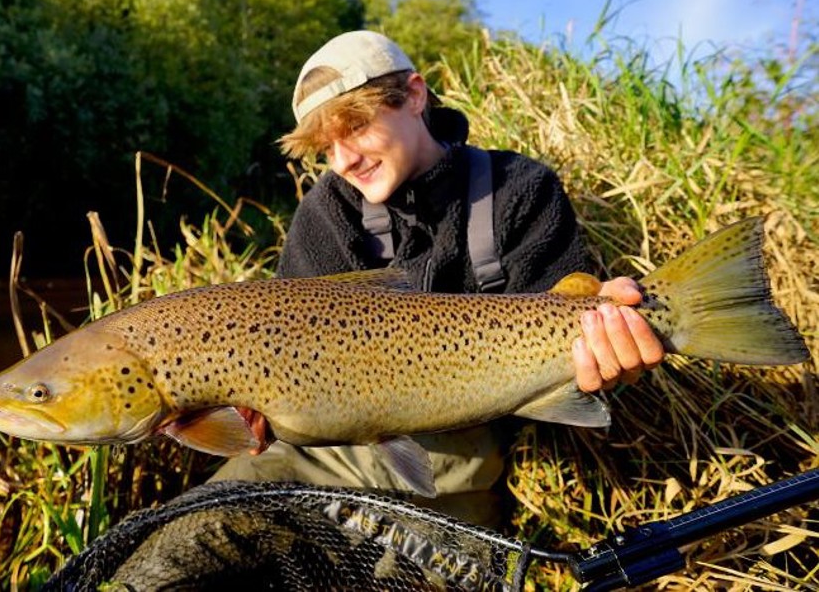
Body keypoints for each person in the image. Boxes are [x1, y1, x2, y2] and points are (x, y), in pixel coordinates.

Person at [212, 30, 664, 527]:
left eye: (357, 127)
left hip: (464, 467)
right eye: (326, 147)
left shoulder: (518, 188)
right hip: (328, 456)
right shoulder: (326, 213)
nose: (343, 161)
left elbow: (566, 310)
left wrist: (609, 339)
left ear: (414, 95)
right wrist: (249, 417)